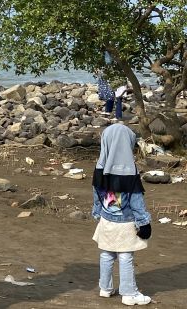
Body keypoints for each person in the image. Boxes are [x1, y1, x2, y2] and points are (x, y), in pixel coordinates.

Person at [91, 123, 152, 306]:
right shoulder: (129, 170)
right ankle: (129, 293)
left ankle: (105, 288)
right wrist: (144, 221)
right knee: (125, 255)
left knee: (107, 253)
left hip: (106, 218)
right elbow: (136, 200)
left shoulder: (100, 166)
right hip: (125, 221)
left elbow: (96, 193)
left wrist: (97, 212)